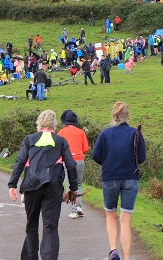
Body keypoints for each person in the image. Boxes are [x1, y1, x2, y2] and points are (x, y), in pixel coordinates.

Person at [8, 110, 78, 260]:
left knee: (31, 225)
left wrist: (12, 184)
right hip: (53, 187)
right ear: (54, 124)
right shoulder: (60, 141)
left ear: (39, 123)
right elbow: (71, 165)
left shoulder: (29, 139)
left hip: (32, 186)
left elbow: (20, 161)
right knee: (50, 228)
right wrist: (73, 188)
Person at [92, 102, 146, 260]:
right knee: (125, 220)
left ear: (114, 117)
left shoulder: (105, 133)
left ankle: (113, 250)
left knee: (110, 215)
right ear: (128, 117)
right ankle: (127, 258)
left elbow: (95, 155)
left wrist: (108, 163)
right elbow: (141, 157)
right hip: (131, 177)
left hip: (110, 177)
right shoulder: (136, 134)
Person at [57, 110, 89, 219]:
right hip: (79, 160)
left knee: (69, 186)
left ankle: (73, 211)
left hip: (67, 161)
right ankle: (79, 206)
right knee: (79, 184)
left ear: (65, 121)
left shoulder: (61, 133)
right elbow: (85, 148)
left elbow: (57, 150)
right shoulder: (81, 132)